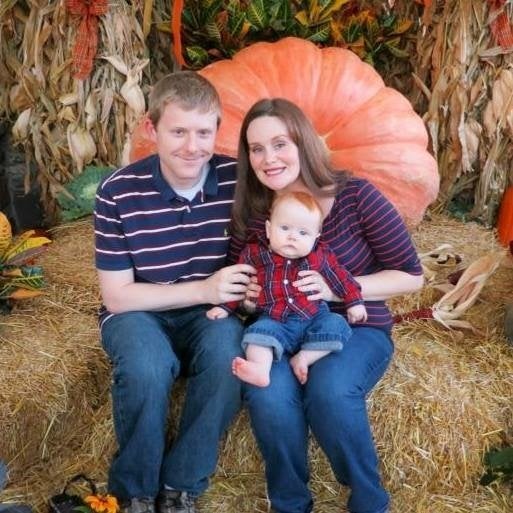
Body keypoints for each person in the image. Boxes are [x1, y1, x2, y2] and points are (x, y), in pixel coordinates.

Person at [228, 98, 424, 513]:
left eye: (280, 144)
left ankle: (369, 501)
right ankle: (291, 504)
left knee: (331, 391)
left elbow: (411, 275)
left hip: (357, 328)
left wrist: (336, 290)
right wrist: (246, 298)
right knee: (268, 395)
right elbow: (241, 281)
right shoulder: (256, 215)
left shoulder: (356, 196)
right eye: (256, 149)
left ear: (304, 142)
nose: (268, 158)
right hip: (280, 326)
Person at [93, 71, 256, 513]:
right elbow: (118, 297)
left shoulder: (239, 180)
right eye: (178, 131)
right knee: (148, 367)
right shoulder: (117, 192)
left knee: (230, 361)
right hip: (139, 310)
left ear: (218, 130)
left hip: (210, 312)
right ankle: (135, 492)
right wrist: (203, 287)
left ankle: (182, 485)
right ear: (152, 129)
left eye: (204, 132)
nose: (192, 146)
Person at [207, 190, 367, 386]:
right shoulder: (255, 254)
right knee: (257, 333)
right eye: (284, 228)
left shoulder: (320, 255)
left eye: (303, 233)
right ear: (268, 229)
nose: (292, 237)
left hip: (313, 318)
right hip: (275, 320)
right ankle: (260, 369)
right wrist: (225, 307)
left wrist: (354, 301)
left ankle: (304, 358)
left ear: (316, 237)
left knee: (337, 325)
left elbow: (341, 277)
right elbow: (240, 282)